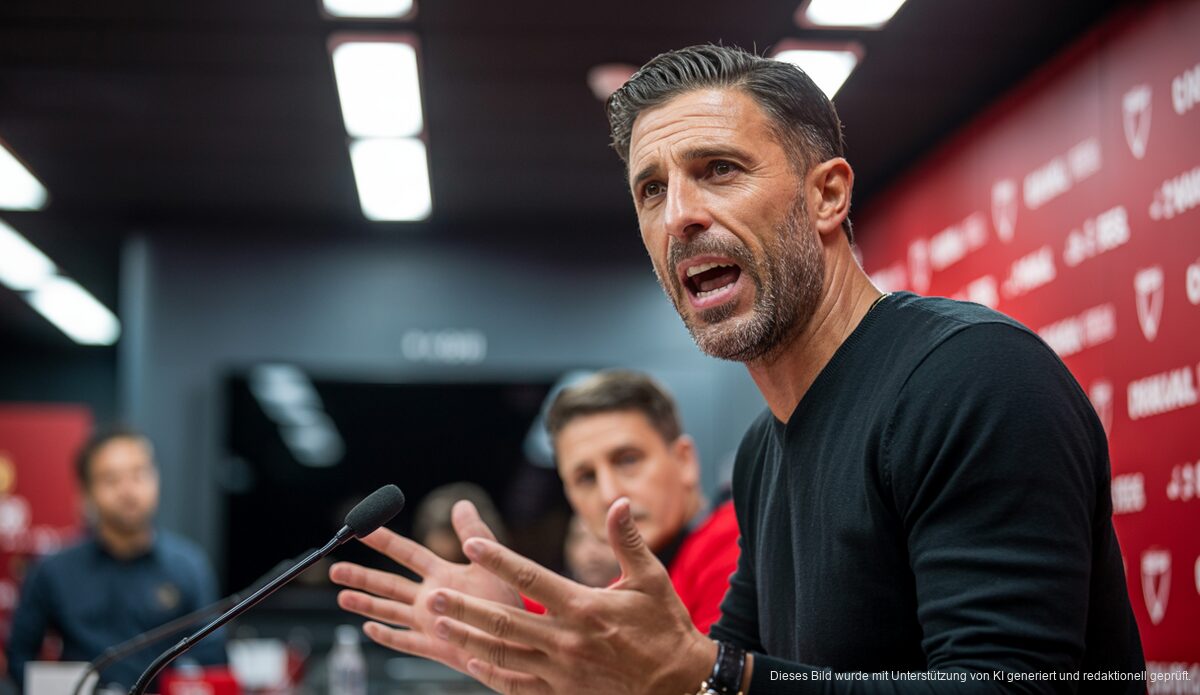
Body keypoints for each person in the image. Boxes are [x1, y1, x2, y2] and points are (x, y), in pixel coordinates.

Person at [330, 44, 1145, 694]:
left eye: (719, 169)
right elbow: (717, 677)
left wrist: (711, 673)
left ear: (827, 196)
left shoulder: (972, 378)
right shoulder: (762, 453)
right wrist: (552, 659)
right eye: (651, 190)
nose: (680, 215)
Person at [6, 426, 225, 692]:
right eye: (111, 479)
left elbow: (212, 656)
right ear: (86, 493)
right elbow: (19, 655)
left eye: (139, 474)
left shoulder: (188, 567)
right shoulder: (53, 571)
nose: (128, 490)